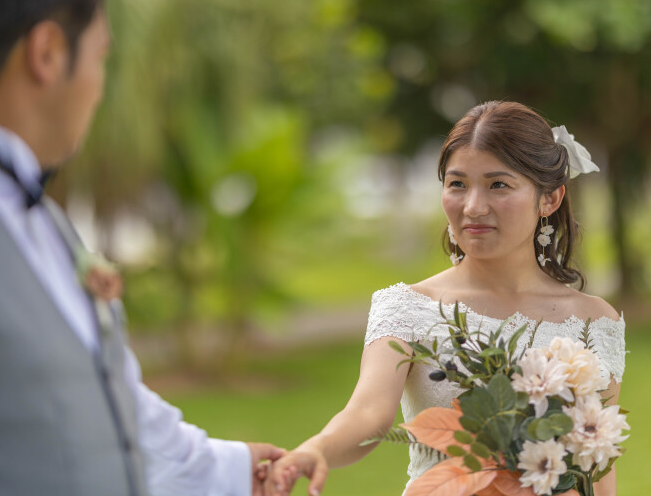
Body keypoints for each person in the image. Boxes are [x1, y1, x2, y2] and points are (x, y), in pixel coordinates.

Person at [0, 0, 290, 495]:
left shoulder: (39, 216)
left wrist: (232, 472)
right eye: (101, 57)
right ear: (47, 52)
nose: (99, 89)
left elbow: (102, 405)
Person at [266, 101, 626, 496]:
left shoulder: (595, 322)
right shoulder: (407, 308)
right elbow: (368, 413)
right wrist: (316, 449)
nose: (473, 207)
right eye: (457, 184)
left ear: (549, 199)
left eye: (498, 185)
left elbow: (596, 467)